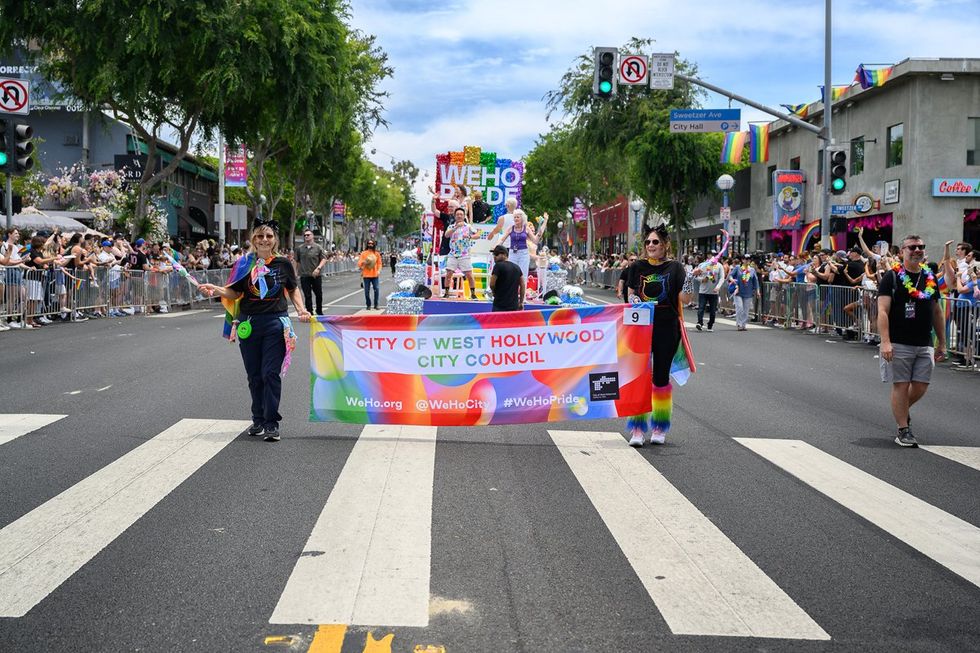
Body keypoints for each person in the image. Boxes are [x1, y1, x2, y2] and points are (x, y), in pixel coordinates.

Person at [199, 222, 310, 442]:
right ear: (253, 239)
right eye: (260, 236)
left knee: (270, 373)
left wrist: (301, 308)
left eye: (269, 235)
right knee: (254, 376)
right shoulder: (244, 264)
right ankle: (258, 419)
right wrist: (216, 289)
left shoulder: (283, 263)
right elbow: (233, 293)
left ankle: (271, 423)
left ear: (275, 239)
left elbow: (292, 288)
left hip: (275, 324)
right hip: (248, 325)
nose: (264, 239)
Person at [624, 225, 692, 446]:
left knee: (660, 378)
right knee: (640, 377)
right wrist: (638, 303)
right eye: (647, 242)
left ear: (664, 245)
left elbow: (686, 300)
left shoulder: (675, 268)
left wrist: (690, 279)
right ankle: (636, 429)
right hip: (641, 328)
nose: (651, 246)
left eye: (655, 242)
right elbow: (631, 295)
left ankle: (660, 427)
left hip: (666, 328)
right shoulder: (637, 266)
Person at [877, 234, 946, 448]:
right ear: (902, 252)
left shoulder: (930, 277)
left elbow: (936, 311)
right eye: (912, 247)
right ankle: (903, 429)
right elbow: (882, 311)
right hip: (899, 342)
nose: (917, 250)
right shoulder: (892, 277)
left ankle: (901, 411)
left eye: (921, 247)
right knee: (901, 385)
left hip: (924, 342)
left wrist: (942, 342)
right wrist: (886, 341)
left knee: (921, 386)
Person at [442, 207, 480, 300]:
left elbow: (478, 234)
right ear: (455, 216)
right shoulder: (451, 226)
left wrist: (470, 236)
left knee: (469, 275)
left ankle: (473, 293)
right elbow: (446, 235)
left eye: (461, 214)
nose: (459, 216)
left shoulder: (468, 226)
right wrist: (456, 227)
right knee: (449, 273)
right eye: (457, 214)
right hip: (453, 254)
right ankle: (446, 293)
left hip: (464, 254)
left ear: (464, 216)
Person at [295, 229, 327, 316]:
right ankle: (310, 311)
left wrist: (318, 268)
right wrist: (295, 272)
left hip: (316, 275)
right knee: (307, 295)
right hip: (304, 275)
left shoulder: (318, 247)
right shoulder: (300, 248)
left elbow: (324, 259)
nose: (306, 236)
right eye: (305, 235)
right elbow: (297, 261)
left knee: (318, 294)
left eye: (308, 235)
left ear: (312, 236)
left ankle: (319, 310)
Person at [727, 254, 760, 331]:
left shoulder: (752, 270)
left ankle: (743, 325)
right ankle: (739, 324)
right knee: (740, 308)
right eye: (745, 259)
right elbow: (730, 276)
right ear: (742, 260)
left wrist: (757, 291)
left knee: (746, 310)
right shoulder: (738, 268)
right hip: (738, 291)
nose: (747, 260)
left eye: (748, 259)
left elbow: (756, 281)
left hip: (748, 292)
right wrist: (732, 280)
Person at [693, 253, 724, 331]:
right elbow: (695, 276)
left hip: (714, 292)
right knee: (701, 308)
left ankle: (710, 324)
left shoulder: (719, 266)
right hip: (703, 291)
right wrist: (702, 279)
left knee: (713, 311)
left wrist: (717, 287)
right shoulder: (703, 265)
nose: (712, 261)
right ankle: (699, 323)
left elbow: (722, 278)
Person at [488, 245, 523, 311]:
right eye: (494, 254)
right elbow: (522, 285)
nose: (494, 257)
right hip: (513, 306)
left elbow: (492, 284)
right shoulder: (517, 267)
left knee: (497, 321)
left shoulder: (498, 266)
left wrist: (494, 292)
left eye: (496, 254)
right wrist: (521, 302)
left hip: (499, 305)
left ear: (504, 254)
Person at [358, 239, 382, 310]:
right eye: (369, 243)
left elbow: (379, 263)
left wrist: (379, 271)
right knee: (366, 291)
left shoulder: (377, 254)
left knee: (376, 289)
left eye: (372, 243)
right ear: (367, 244)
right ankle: (368, 305)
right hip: (366, 275)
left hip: (375, 275)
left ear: (374, 244)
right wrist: (364, 262)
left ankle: (376, 305)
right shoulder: (364, 253)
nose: (370, 245)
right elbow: (359, 263)